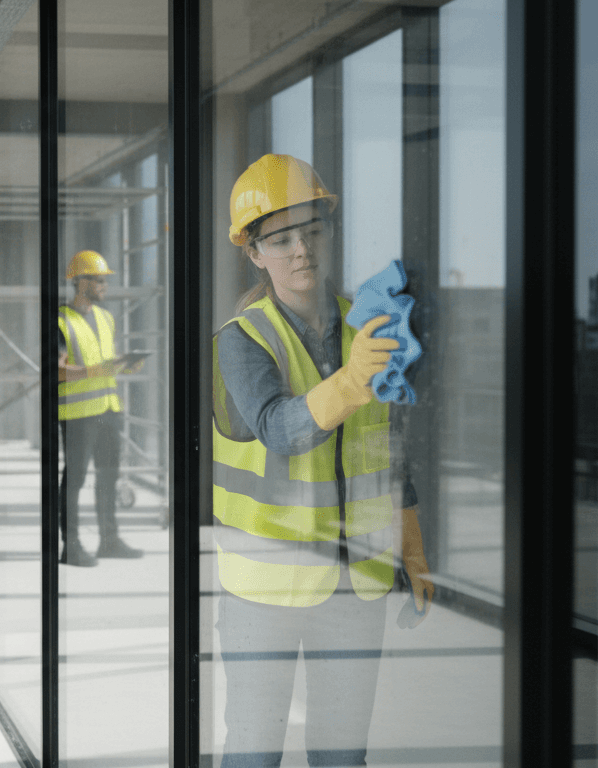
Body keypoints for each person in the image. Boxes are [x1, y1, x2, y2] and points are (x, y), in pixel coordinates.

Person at [212, 154, 436, 767]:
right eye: (280, 239)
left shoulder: (361, 327)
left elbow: (388, 452)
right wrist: (355, 376)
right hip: (264, 591)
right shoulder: (242, 339)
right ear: (254, 253)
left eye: (312, 230)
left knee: (342, 755)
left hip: (354, 587)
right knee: (255, 752)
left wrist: (411, 549)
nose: (301, 250)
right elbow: (280, 429)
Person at [57, 249, 143, 567]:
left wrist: (125, 366)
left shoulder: (106, 319)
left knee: (108, 476)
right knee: (76, 479)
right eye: (99, 280)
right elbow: (57, 370)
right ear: (80, 282)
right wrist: (98, 370)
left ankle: (109, 540)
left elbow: (107, 363)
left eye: (105, 280)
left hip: (108, 409)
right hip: (78, 414)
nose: (104, 285)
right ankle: (72, 546)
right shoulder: (61, 320)